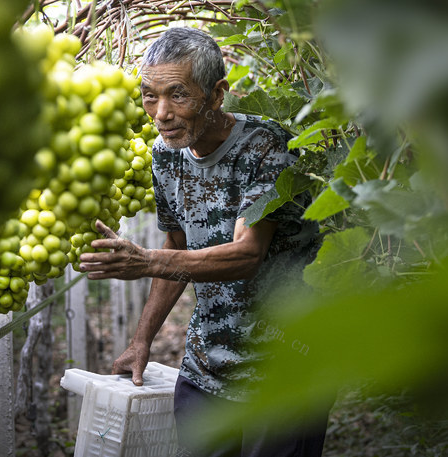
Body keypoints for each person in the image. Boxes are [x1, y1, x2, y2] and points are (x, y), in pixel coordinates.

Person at [79, 27, 329, 457]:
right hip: (206, 368)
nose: (161, 113)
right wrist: (142, 340)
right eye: (149, 96)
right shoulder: (164, 155)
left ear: (216, 95)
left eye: (177, 95)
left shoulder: (265, 147)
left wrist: (146, 261)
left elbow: (246, 254)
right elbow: (176, 249)